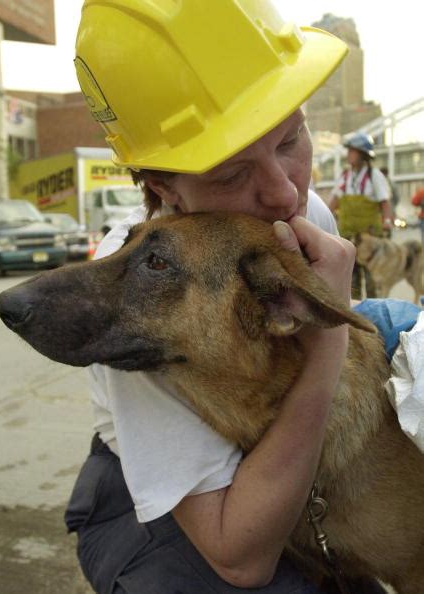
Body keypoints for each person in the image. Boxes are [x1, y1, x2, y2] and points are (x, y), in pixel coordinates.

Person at [66, 2, 388, 593]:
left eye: (291, 138)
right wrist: (330, 337)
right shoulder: (135, 294)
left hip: (278, 453)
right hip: (164, 502)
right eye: (231, 175)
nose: (283, 189)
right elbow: (238, 555)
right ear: (166, 188)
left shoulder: (295, 214)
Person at [328, 133, 393, 298]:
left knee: (372, 279)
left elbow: (384, 201)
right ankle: (356, 316)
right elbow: (334, 200)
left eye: (352, 151)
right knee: (351, 280)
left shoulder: (374, 176)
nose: (348, 154)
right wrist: (326, 217)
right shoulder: (345, 176)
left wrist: (387, 221)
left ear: (363, 154)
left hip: (369, 237)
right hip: (348, 236)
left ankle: (374, 316)